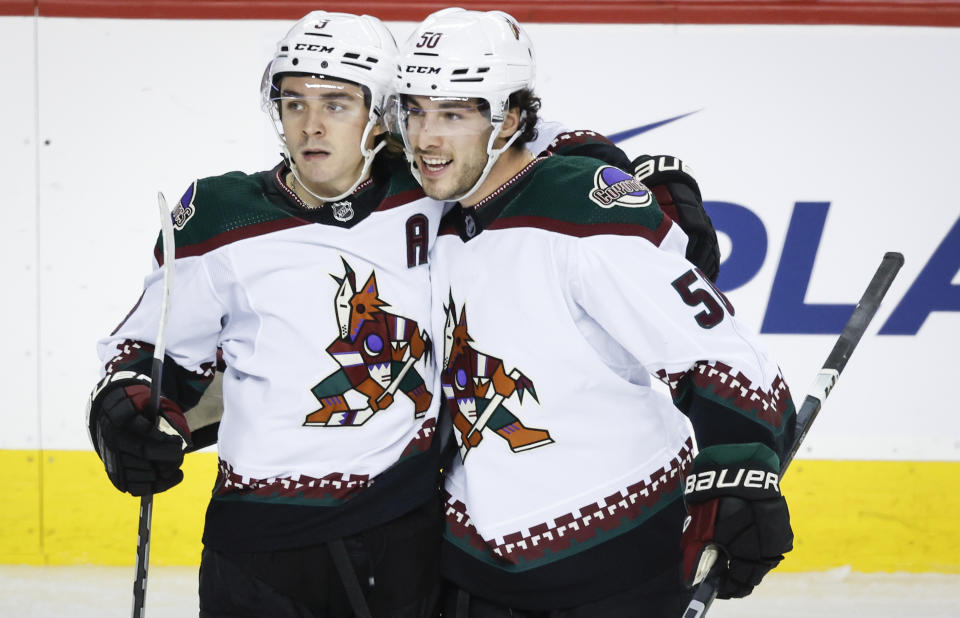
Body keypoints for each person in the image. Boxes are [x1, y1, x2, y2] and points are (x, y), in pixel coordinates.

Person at [394, 8, 796, 617]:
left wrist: (740, 467)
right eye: (416, 110)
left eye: (452, 113)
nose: (426, 137)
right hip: (470, 568)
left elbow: (724, 356)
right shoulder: (426, 207)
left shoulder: (584, 216)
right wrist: (609, 156)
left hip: (618, 559)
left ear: (507, 118)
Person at [85, 11, 446, 617]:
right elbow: (152, 354)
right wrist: (124, 412)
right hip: (260, 544)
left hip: (403, 529)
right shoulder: (221, 216)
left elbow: (520, 139)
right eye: (293, 102)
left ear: (382, 115)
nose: (310, 125)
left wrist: (620, 173)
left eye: (336, 104)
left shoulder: (433, 197)